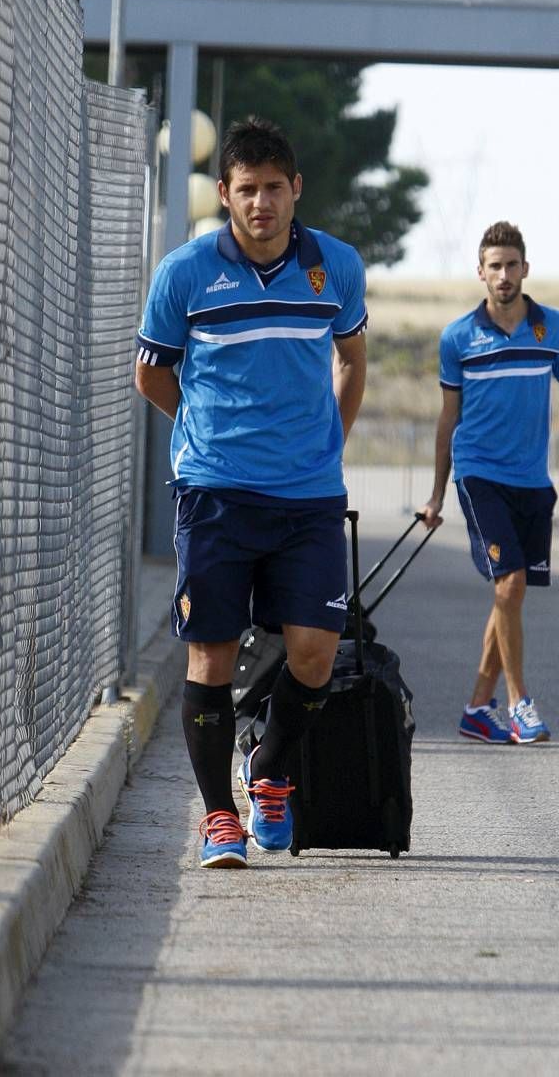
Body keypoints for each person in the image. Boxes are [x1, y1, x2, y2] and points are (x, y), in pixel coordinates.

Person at [136, 116, 367, 868]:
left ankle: (266, 771)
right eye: (246, 190)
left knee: (314, 655)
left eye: (274, 188)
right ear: (226, 196)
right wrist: (207, 429)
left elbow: (352, 360)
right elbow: (151, 373)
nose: (261, 202)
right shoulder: (185, 273)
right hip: (215, 496)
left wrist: (328, 440)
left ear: (296, 189)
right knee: (210, 658)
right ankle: (219, 818)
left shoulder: (336, 267)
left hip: (307, 499)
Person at [419, 221, 559, 745]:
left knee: (508, 595)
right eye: (494, 266)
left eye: (511, 264)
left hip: (532, 480)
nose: (503, 275)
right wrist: (435, 492)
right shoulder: (457, 338)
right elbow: (448, 419)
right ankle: (518, 703)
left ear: (525, 269)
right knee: (510, 584)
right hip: (478, 473)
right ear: (480, 273)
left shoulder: (554, 328)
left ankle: (476, 707)